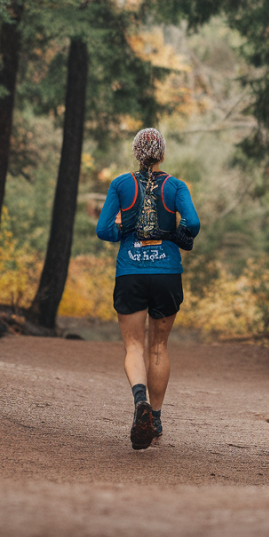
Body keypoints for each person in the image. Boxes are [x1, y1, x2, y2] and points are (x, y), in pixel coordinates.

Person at [96, 128, 200, 449]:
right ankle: (154, 417)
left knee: (134, 347)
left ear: (136, 153)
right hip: (167, 272)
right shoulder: (175, 185)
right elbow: (193, 224)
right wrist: (171, 233)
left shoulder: (121, 184)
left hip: (131, 272)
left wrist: (125, 231)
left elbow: (103, 229)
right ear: (162, 155)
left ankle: (139, 400)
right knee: (158, 347)